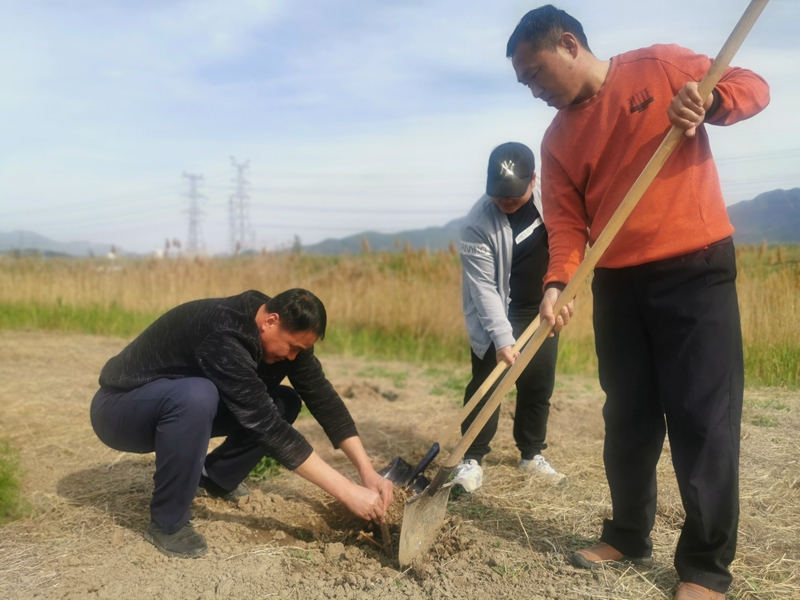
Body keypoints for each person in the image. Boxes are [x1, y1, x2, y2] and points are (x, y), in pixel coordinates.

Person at [506, 6, 769, 600]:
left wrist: (710, 102)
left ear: (568, 44)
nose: (534, 90)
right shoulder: (556, 140)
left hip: (694, 268)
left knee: (703, 419)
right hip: (617, 283)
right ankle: (627, 534)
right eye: (524, 83)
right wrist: (557, 283)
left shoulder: (659, 66)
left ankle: (705, 568)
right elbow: (567, 225)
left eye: (535, 74)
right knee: (627, 417)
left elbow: (754, 86)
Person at [90, 288, 393, 558]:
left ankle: (216, 479)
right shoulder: (224, 334)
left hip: (175, 407)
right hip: (120, 410)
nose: (292, 357)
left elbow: (324, 399)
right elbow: (265, 424)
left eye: (300, 351)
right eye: (292, 347)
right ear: (270, 321)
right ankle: (167, 523)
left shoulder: (287, 331)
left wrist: (367, 472)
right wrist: (347, 492)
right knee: (198, 395)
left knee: (284, 402)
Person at [457, 141, 564, 490]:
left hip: (542, 309)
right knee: (487, 386)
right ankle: (471, 458)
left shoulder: (554, 203)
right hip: (496, 312)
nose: (505, 201)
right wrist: (503, 339)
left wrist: (564, 291)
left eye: (514, 195)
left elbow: (570, 246)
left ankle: (531, 454)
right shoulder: (476, 223)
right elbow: (484, 289)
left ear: (533, 180)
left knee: (538, 384)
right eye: (499, 194)